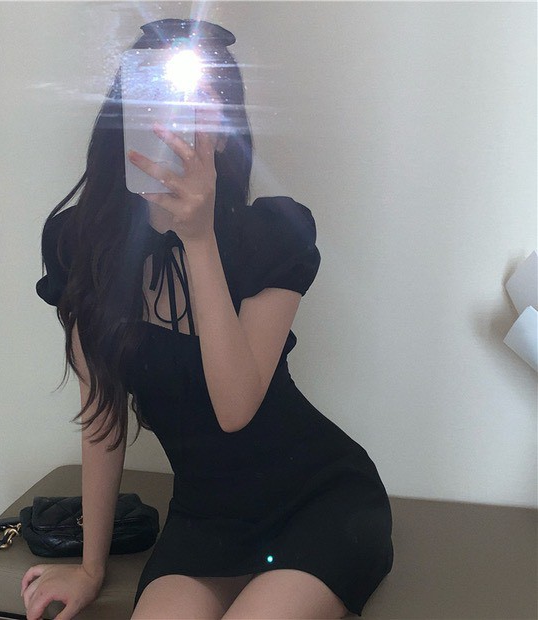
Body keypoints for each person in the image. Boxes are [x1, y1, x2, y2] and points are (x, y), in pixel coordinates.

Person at [22, 18, 394, 620]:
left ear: (225, 133)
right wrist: (91, 567)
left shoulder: (274, 234)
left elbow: (235, 407)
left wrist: (197, 239)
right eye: (160, 100)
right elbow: (101, 415)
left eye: (206, 103)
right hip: (205, 518)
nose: (183, 121)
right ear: (126, 120)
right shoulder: (78, 247)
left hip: (320, 501)